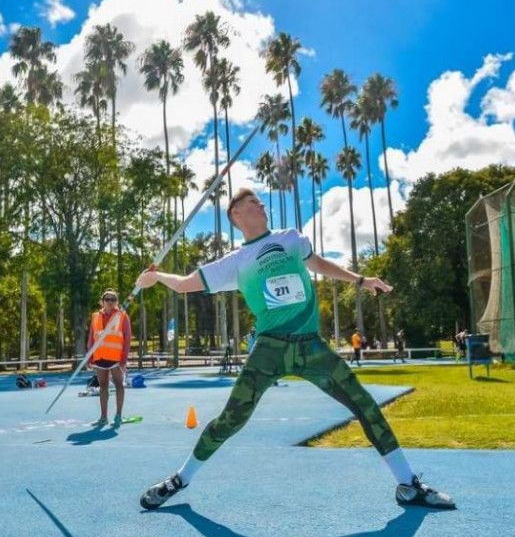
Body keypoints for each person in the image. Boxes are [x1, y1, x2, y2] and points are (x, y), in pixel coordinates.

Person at [136, 188, 455, 510]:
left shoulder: (290, 239)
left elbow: (318, 264)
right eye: (252, 203)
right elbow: (184, 283)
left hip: (310, 346)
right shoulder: (235, 262)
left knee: (365, 406)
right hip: (269, 349)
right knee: (231, 419)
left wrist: (361, 280)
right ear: (237, 216)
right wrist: (156, 277)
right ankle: (180, 479)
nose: (261, 204)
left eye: (260, 201)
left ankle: (408, 485)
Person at [87, 288, 132, 427]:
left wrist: (124, 360)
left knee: (119, 385)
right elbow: (91, 338)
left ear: (117, 302)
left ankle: (118, 416)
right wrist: (89, 357)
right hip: (99, 357)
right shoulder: (95, 317)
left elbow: (127, 339)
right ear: (102, 301)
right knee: (103, 386)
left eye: (113, 299)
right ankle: (103, 417)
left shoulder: (122, 316)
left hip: (116, 358)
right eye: (108, 299)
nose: (110, 302)